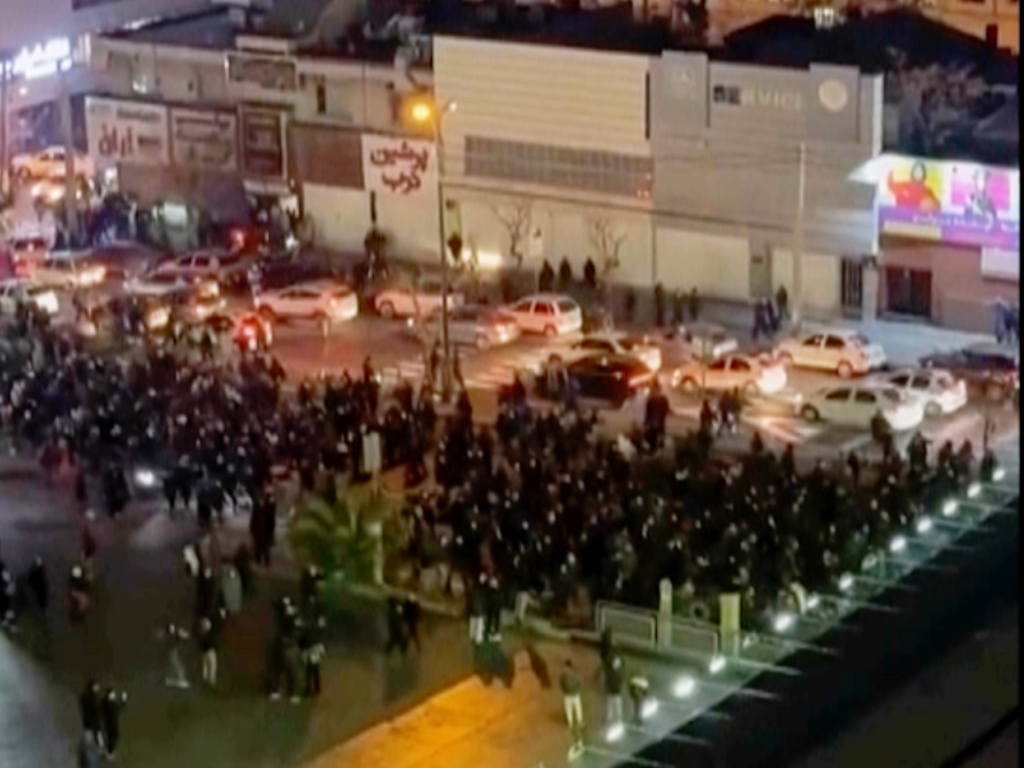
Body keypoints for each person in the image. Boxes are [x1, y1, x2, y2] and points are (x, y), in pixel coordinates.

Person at [559, 659, 585, 751]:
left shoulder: (563, 675)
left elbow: (561, 684)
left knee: (569, 709)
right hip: (575, 693)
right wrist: (578, 690)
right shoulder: (576, 673)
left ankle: (570, 722)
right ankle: (579, 721)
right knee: (577, 708)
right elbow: (580, 682)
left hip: (568, 694)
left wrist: (565, 691)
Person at [100, 686, 127, 760]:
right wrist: (123, 701)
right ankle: (110, 752)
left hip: (108, 723)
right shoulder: (110, 704)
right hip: (112, 724)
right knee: (113, 737)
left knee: (110, 737)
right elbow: (118, 709)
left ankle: (108, 751)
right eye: (113, 694)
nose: (114, 695)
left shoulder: (105, 703)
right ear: (109, 695)